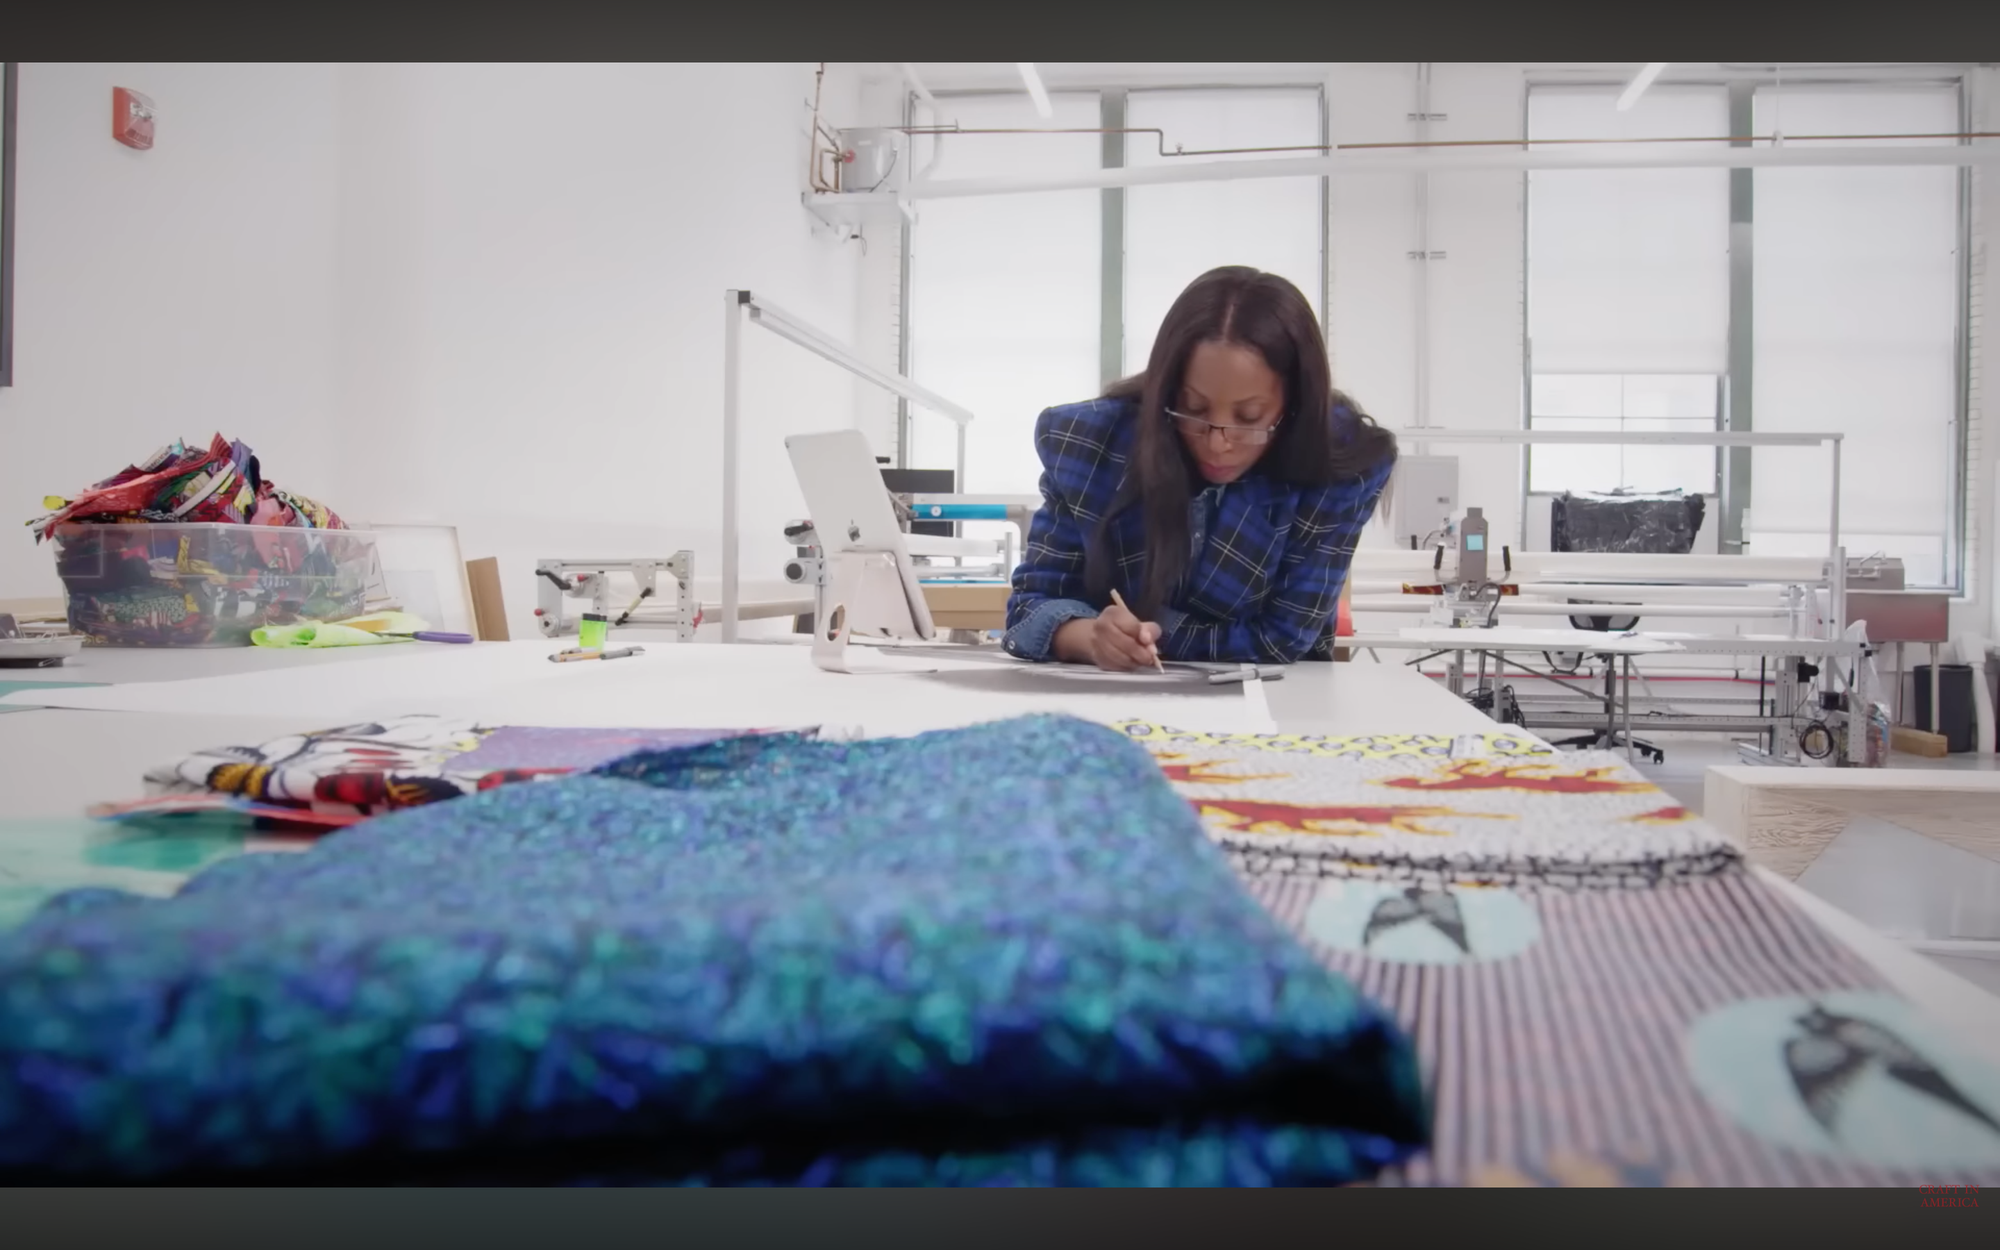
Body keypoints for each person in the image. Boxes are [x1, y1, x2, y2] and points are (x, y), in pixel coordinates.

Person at [1003, 266, 1397, 671]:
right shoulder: (1088, 442)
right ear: (1165, 389)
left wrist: (1154, 631)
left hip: (1276, 697)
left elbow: (1282, 637)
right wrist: (1088, 637)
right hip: (1106, 695)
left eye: (1249, 417)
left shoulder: (1339, 463)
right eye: (1193, 408)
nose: (1217, 443)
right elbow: (1028, 609)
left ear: (1293, 405)